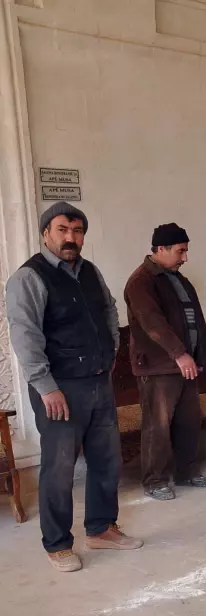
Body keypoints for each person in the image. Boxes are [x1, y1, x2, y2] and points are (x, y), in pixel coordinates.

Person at [5, 202, 141, 572]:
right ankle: (57, 544)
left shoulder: (89, 271)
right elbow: (25, 335)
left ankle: (100, 529)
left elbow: (110, 312)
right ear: (46, 233)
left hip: (98, 381)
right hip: (58, 388)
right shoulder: (28, 278)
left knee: (106, 461)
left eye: (77, 231)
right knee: (60, 468)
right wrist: (46, 387)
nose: (71, 238)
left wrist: (110, 353)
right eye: (63, 229)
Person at [124, 223, 206, 500]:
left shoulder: (177, 278)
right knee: (158, 426)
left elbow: (194, 321)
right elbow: (154, 324)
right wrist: (179, 353)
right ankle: (154, 481)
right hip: (159, 367)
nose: (185, 257)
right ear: (161, 249)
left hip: (186, 364)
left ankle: (187, 472)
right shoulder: (141, 281)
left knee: (189, 421)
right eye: (181, 251)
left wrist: (200, 357)